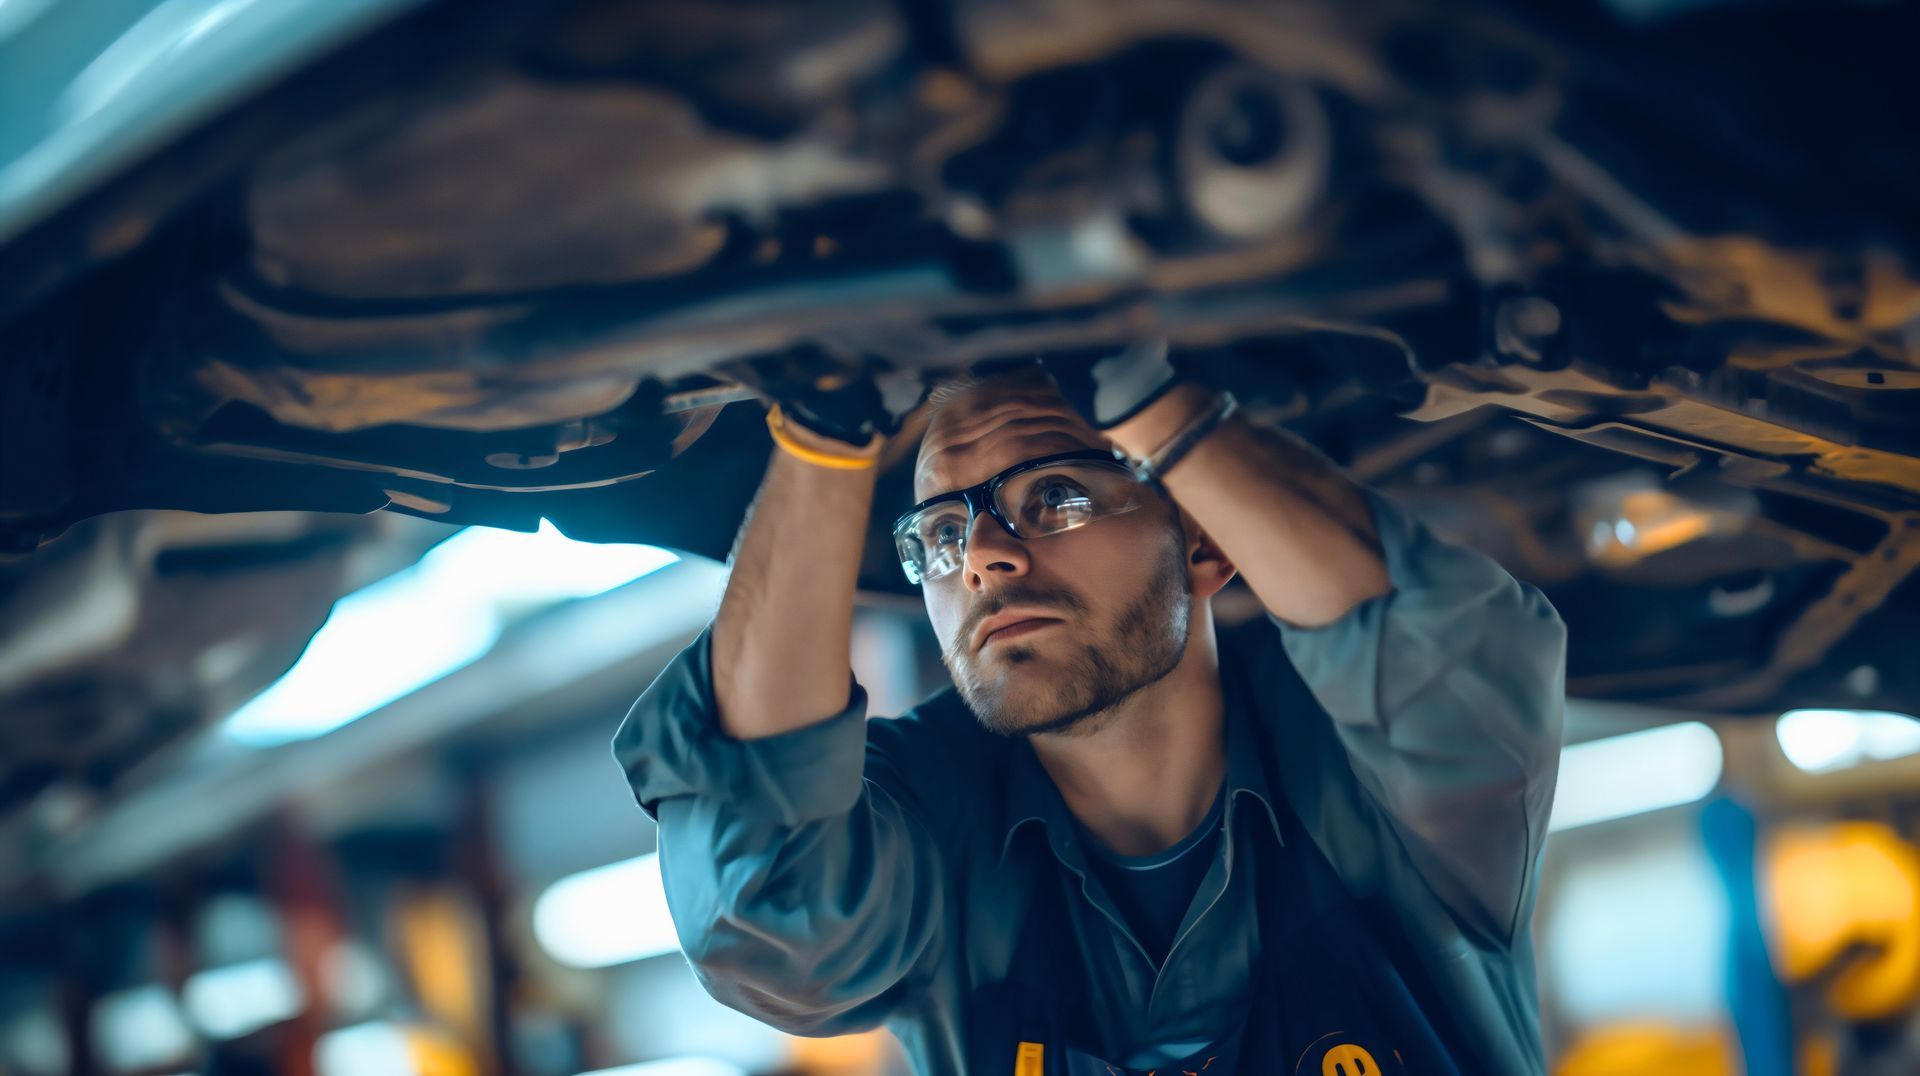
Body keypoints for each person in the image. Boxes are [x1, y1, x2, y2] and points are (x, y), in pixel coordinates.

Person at [614, 345, 1565, 1075]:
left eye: (1056, 498)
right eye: (942, 533)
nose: (983, 555)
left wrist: (1152, 396)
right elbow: (765, 912)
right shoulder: (929, 819)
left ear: (1203, 545)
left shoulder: (1370, 772)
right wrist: (825, 427)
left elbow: (1459, 657)